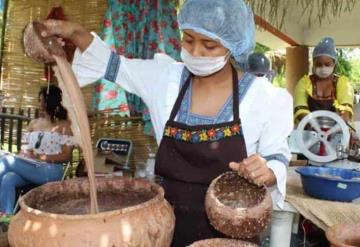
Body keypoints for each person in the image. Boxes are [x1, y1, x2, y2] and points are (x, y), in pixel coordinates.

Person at [41, 0, 293, 245]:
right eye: (188, 39)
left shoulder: (267, 98)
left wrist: (268, 171)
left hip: (232, 230)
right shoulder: (165, 79)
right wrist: (75, 32)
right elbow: (111, 65)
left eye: (209, 45)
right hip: (168, 225)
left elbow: (277, 159)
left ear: (231, 46)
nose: (195, 52)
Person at [0, 85, 74, 215]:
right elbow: (25, 149)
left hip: (51, 170)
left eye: (41, 100)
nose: (39, 103)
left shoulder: (64, 125)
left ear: (50, 102)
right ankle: (6, 217)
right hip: (30, 168)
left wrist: (41, 157)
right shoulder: (33, 123)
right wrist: (23, 154)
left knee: (5, 161)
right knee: (8, 178)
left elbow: (67, 156)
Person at [294, 37, 354, 124]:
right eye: (318, 64)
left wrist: (343, 118)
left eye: (327, 64)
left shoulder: (343, 83)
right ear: (313, 64)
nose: (323, 68)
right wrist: (314, 126)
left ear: (334, 63)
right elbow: (300, 107)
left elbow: (346, 108)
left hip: (339, 131)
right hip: (310, 130)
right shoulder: (304, 82)